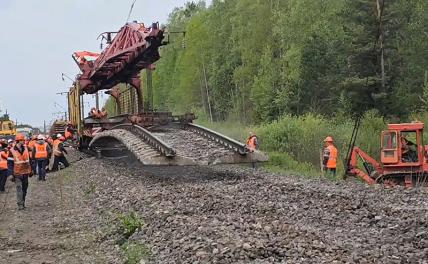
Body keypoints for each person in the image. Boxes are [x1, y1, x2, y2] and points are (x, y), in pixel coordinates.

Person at [9, 133, 33, 210]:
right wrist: (10, 174)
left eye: (24, 140)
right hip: (17, 173)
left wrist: (31, 170)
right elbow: (10, 164)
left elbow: (30, 160)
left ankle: (23, 202)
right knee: (19, 188)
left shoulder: (26, 149)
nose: (24, 141)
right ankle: (20, 204)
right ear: (18, 141)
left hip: (25, 172)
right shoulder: (12, 151)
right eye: (23, 140)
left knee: (25, 189)